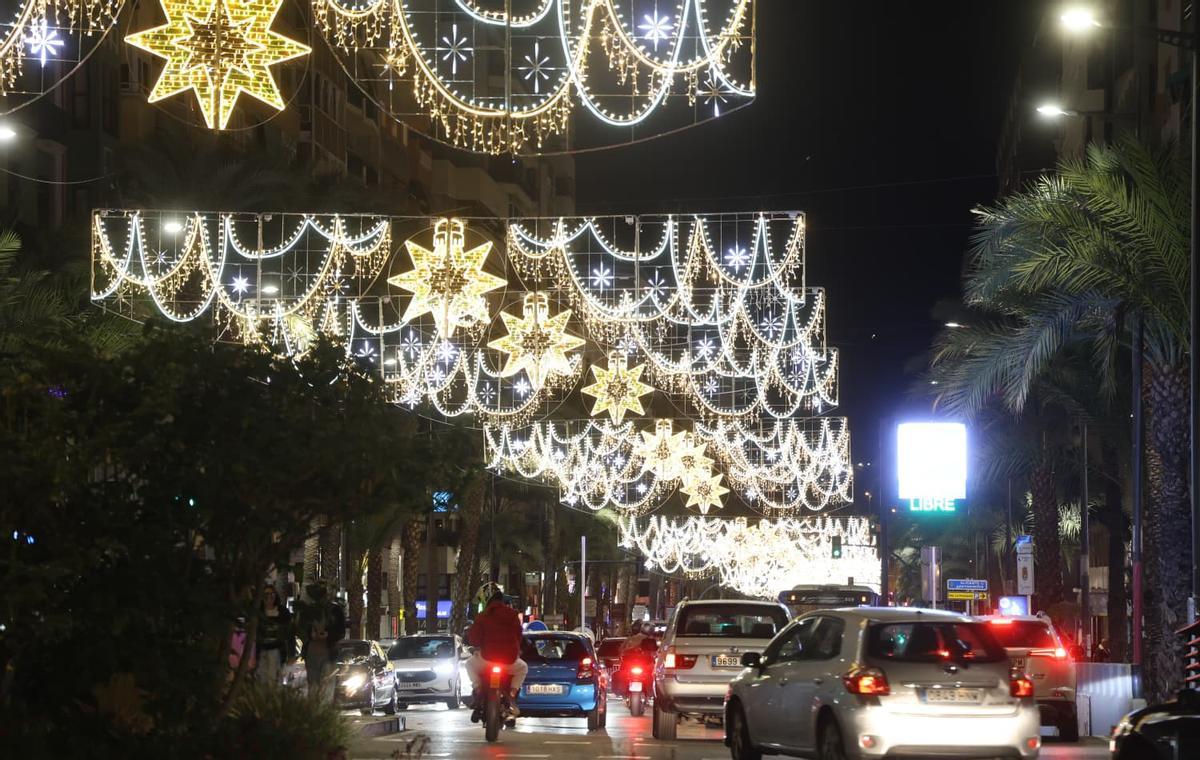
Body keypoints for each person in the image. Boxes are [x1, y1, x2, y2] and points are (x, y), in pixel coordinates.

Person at [465, 591, 528, 722]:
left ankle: (478, 688)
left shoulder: (483, 616)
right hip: (508, 661)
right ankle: (512, 693)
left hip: (486, 659)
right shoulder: (512, 615)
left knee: (469, 664)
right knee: (523, 668)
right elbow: (519, 635)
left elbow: (474, 639)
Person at [256, 584, 294, 686]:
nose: (269, 597)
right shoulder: (258, 613)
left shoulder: (283, 613)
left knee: (274, 680)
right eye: (266, 595)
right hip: (261, 651)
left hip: (276, 650)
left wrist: (291, 654)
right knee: (261, 679)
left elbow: (290, 633)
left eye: (272, 594)